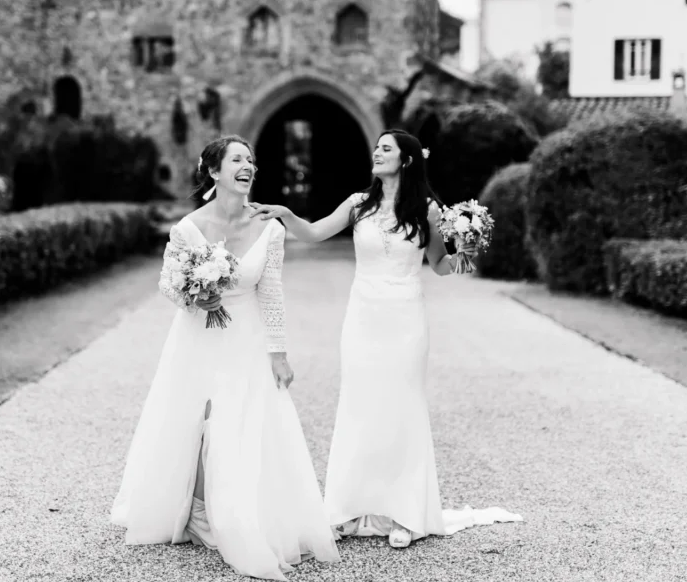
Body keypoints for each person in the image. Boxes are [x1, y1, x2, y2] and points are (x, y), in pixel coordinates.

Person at [249, 129, 521, 548]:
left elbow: (439, 264)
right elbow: (314, 232)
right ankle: (347, 509)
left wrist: (465, 253)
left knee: (402, 408)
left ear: (406, 160)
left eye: (386, 149)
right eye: (376, 148)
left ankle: (405, 513)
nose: (376, 153)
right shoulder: (359, 204)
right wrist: (285, 212)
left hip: (406, 319)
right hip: (363, 317)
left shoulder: (427, 209)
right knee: (359, 407)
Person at [110, 136, 340, 581]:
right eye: (237, 159)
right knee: (198, 418)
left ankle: (235, 509)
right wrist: (196, 295)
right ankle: (197, 511)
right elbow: (167, 282)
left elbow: (271, 291)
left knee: (240, 419)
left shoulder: (270, 228)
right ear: (214, 171)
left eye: (250, 160)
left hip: (248, 336)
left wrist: (278, 352)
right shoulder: (188, 227)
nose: (247, 166)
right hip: (197, 336)